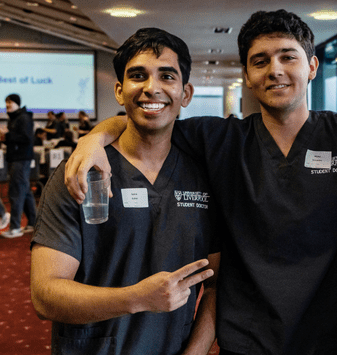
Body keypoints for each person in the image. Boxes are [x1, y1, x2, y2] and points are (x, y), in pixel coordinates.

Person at [65, 10, 337, 355]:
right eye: (260, 61)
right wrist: (92, 139)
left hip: (334, 337)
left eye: (288, 57)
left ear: (311, 66)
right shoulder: (221, 140)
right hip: (248, 337)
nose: (275, 70)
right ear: (248, 76)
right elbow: (149, 116)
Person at [30, 28, 224, 355]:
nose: (152, 88)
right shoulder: (79, 172)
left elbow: (216, 284)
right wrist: (136, 298)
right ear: (119, 91)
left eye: (167, 76)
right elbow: (45, 295)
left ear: (185, 93)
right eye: (138, 76)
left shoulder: (205, 177)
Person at [0, 94, 36, 238]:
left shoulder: (23, 118)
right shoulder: (14, 118)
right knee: (24, 191)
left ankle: (15, 227)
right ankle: (33, 223)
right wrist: (5, 138)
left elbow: (26, 139)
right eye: (6, 103)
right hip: (16, 157)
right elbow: (16, 139)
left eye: (10, 102)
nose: (7, 105)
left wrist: (7, 135)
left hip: (21, 158)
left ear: (17, 104)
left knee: (17, 192)